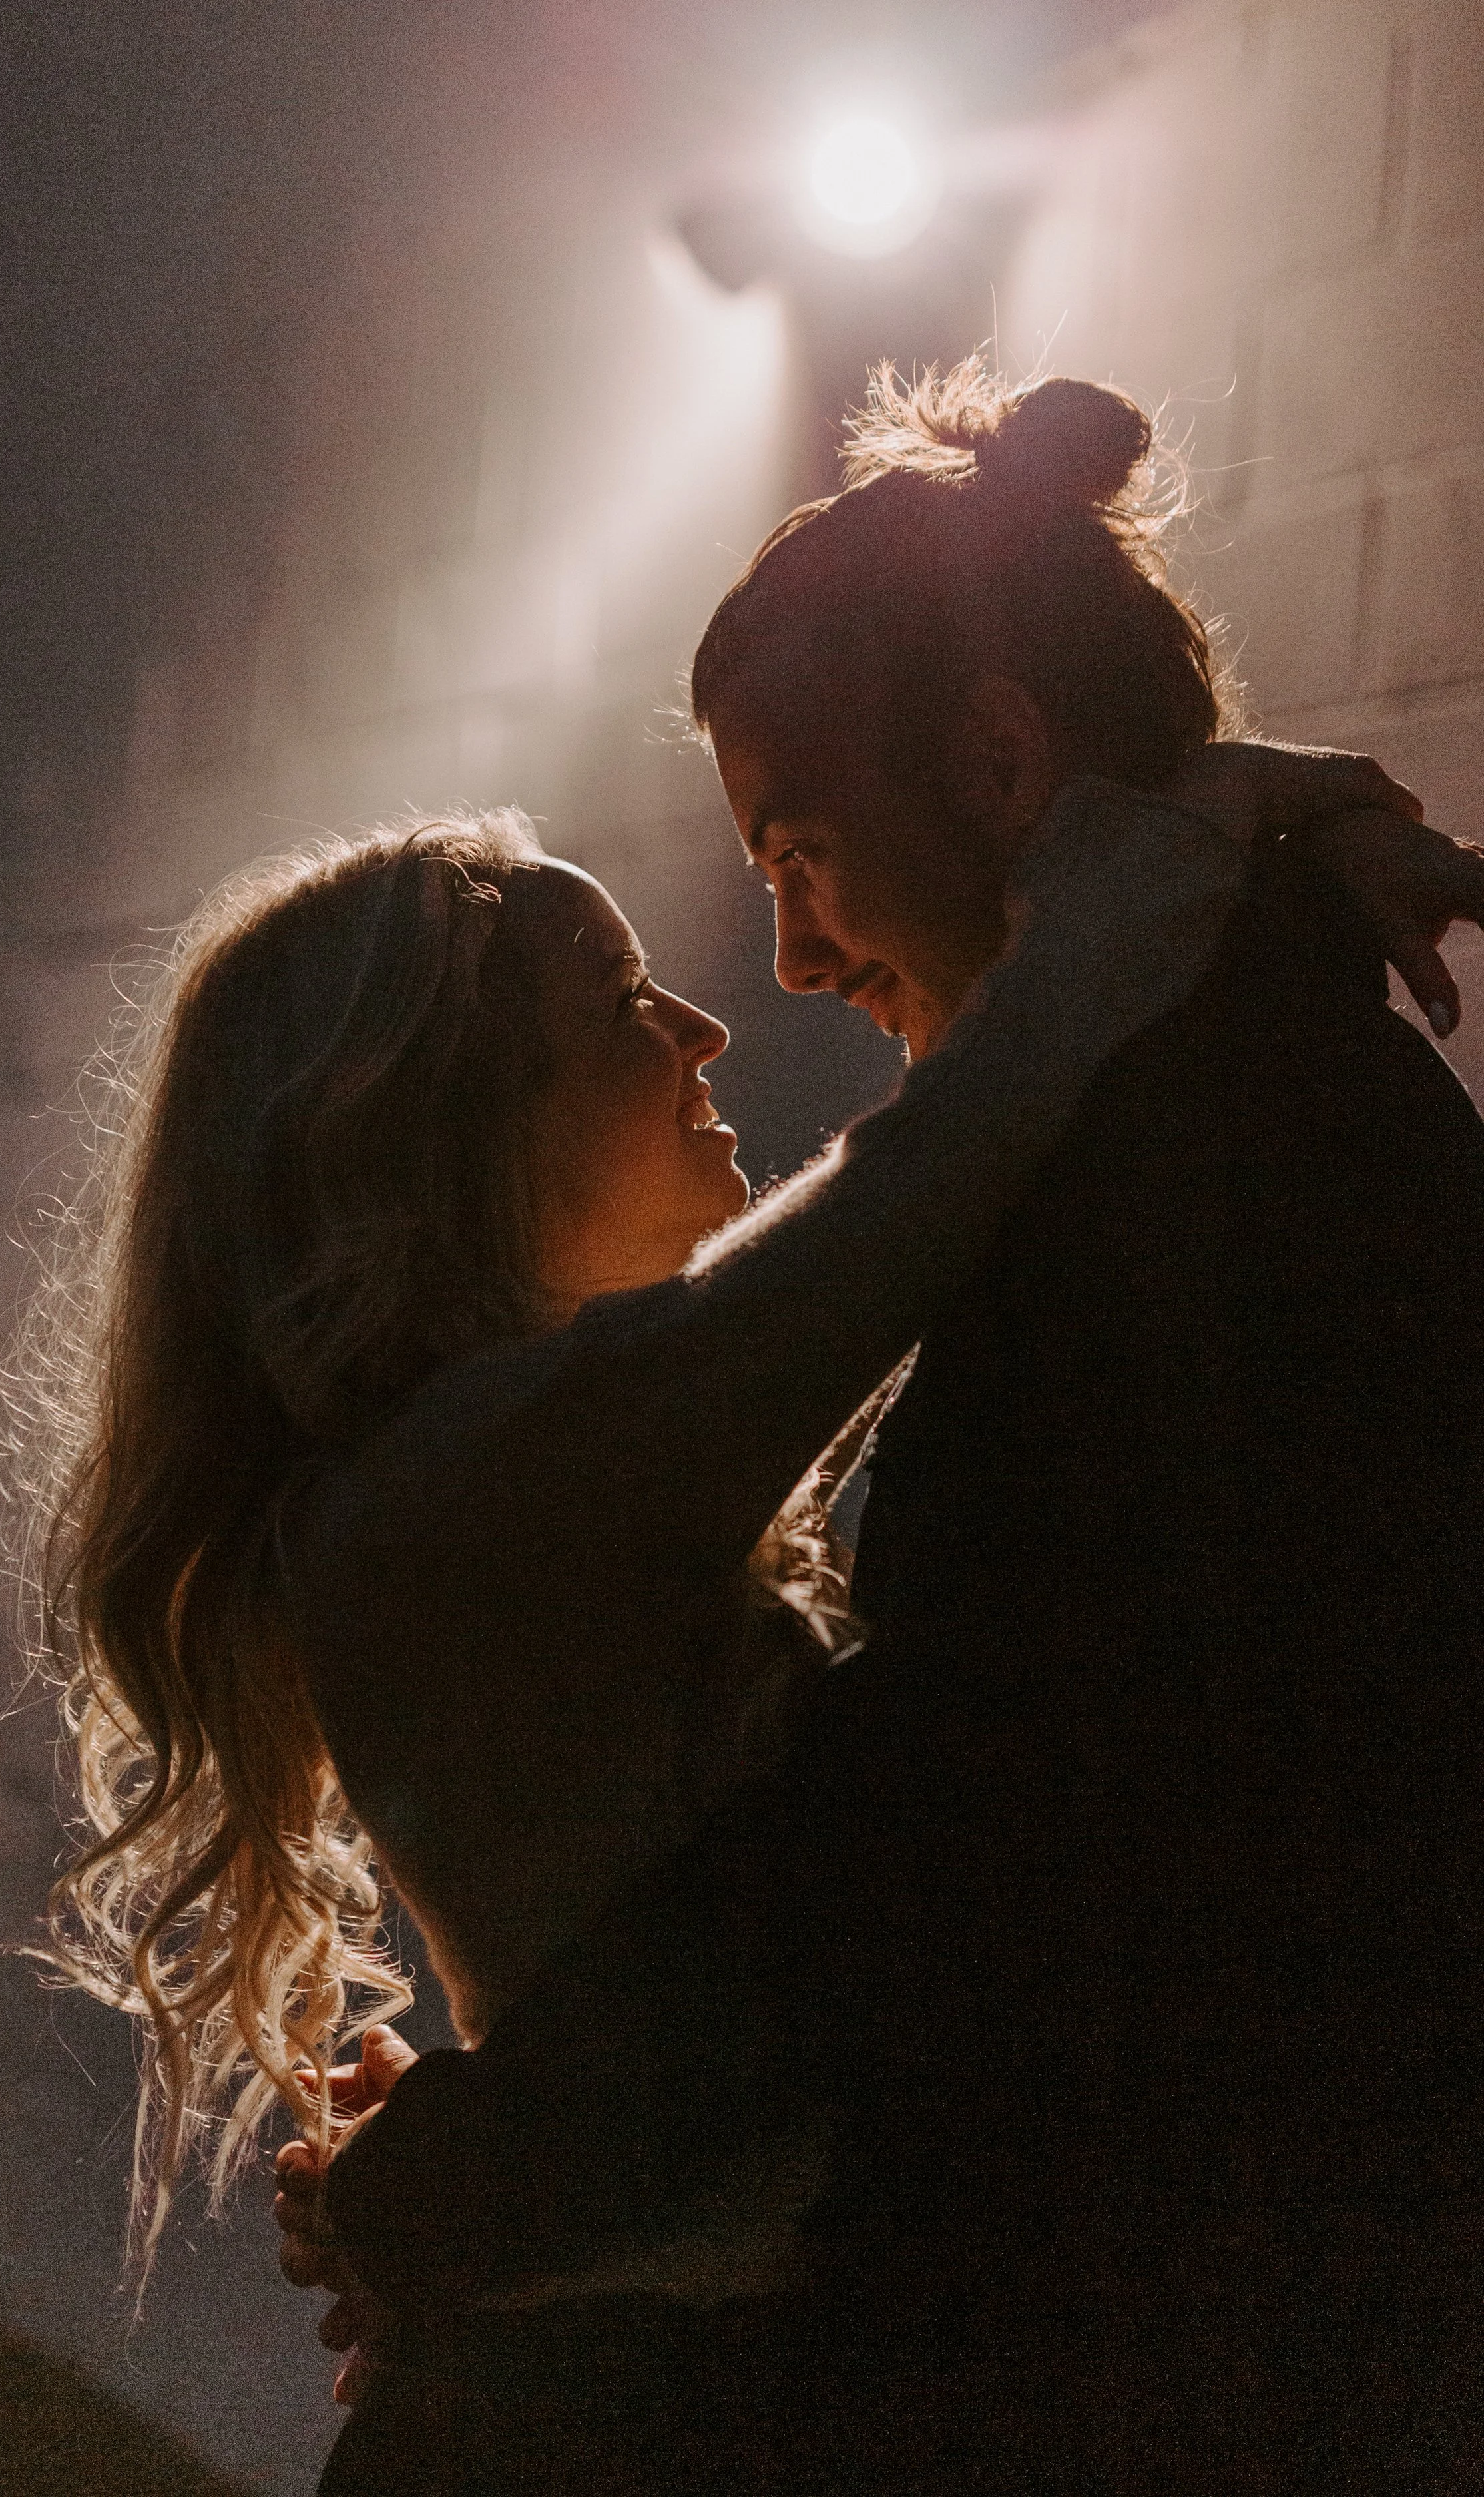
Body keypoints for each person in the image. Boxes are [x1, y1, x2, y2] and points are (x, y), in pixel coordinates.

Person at [277, 368, 1484, 2495]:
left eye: (800, 849)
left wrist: (479, 2166)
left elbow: (969, 1830)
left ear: (1007, 763)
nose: (789, 958)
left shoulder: (1177, 1187)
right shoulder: (1229, 1125)